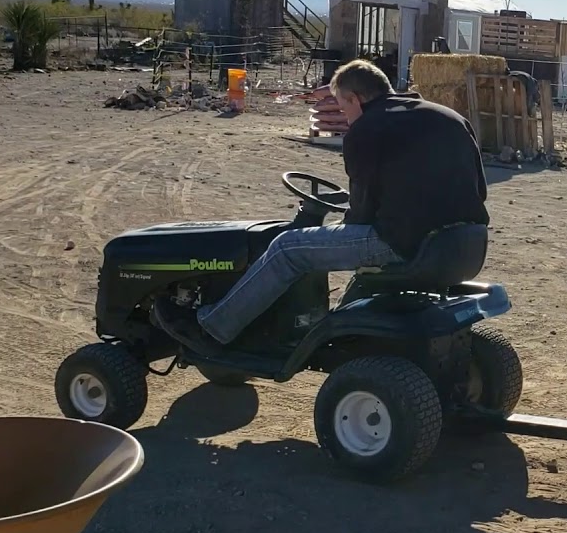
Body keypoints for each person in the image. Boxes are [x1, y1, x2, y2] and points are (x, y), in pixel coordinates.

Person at [152, 58, 490, 355]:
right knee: (318, 244)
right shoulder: (450, 118)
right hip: (465, 244)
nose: (344, 116)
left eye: (343, 108)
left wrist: (335, 221)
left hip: (402, 243)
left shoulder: (368, 130)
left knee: (287, 248)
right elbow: (480, 191)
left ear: (355, 99)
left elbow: (360, 213)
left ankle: (211, 328)